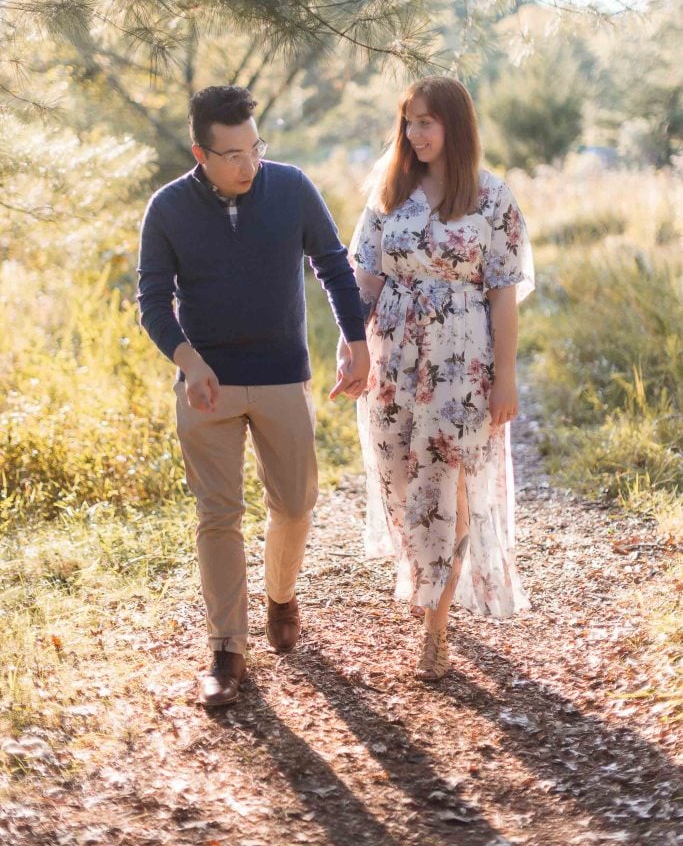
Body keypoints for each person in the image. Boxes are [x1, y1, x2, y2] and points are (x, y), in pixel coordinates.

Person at [137, 85, 369, 707]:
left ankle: (280, 594)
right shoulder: (168, 209)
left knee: (295, 504)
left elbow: (333, 264)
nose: (249, 164)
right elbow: (153, 301)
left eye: (255, 147)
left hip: (280, 374)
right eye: (233, 154)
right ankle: (226, 649)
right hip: (205, 385)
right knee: (218, 516)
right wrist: (188, 361)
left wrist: (357, 340)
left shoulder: (291, 188)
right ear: (201, 152)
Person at [346, 76, 533, 681]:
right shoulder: (388, 190)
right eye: (408, 121)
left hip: (462, 361)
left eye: (427, 121)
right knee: (402, 477)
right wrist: (351, 353)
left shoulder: (490, 197)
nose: (415, 133)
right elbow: (363, 280)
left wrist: (505, 378)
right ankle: (425, 581)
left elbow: (503, 295)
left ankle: (436, 624)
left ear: (455, 125)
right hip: (394, 357)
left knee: (448, 478)